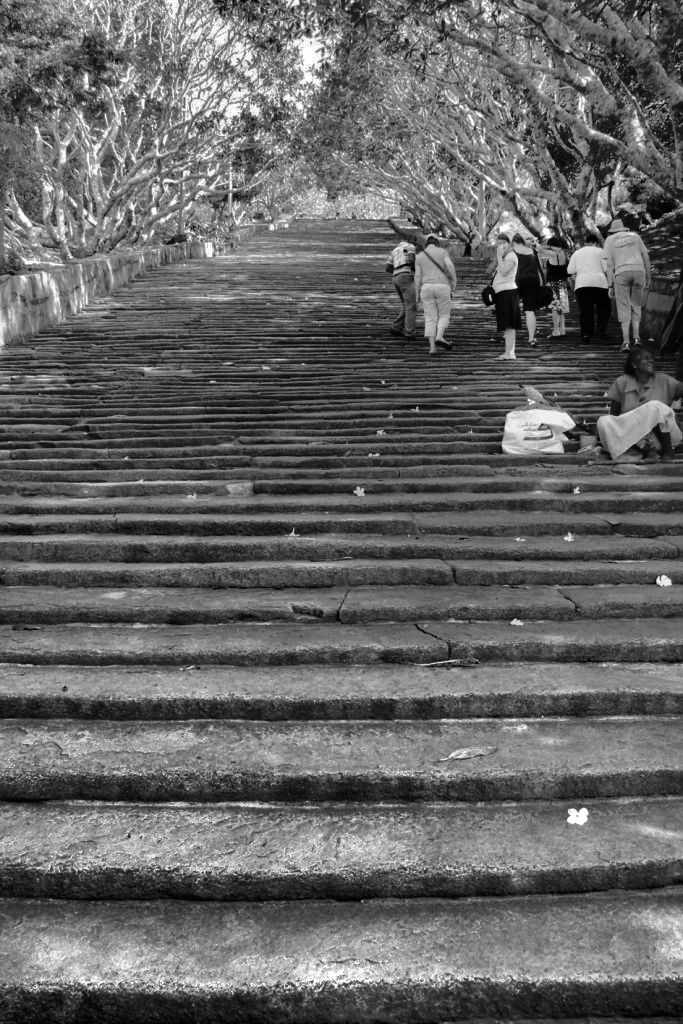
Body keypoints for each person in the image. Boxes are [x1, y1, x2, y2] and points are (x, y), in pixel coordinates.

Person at [596, 346, 683, 462]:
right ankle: (646, 451)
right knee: (603, 420)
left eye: (651, 358)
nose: (651, 360)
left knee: (655, 406)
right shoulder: (622, 382)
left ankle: (667, 454)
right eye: (646, 358)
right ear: (634, 364)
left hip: (666, 438)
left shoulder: (664, 379)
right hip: (637, 440)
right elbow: (615, 417)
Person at [601, 217, 651, 353]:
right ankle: (637, 338)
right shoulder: (635, 236)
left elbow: (610, 265)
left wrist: (610, 285)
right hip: (639, 271)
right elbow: (646, 257)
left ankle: (626, 342)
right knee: (636, 305)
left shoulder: (610, 240)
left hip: (621, 273)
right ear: (623, 228)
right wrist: (648, 276)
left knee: (623, 306)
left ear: (612, 231)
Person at [414, 233, 457, 357]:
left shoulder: (420, 256)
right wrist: (454, 279)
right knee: (444, 314)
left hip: (426, 288)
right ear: (437, 243)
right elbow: (449, 265)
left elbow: (417, 276)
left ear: (426, 243)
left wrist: (417, 294)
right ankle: (440, 336)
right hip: (442, 286)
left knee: (430, 317)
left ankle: (432, 348)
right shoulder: (442, 252)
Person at [567, 233, 611, 343]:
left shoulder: (577, 253)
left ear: (585, 242)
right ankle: (601, 330)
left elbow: (570, 271)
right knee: (604, 309)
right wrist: (611, 284)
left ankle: (586, 334)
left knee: (586, 310)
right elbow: (607, 269)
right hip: (600, 283)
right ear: (596, 243)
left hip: (582, 284)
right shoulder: (601, 251)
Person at [488, 233, 521, 360]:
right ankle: (508, 352)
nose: (501, 245)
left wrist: (499, 257)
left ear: (509, 244)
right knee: (506, 324)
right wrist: (498, 258)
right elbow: (490, 270)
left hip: (508, 292)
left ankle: (510, 352)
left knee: (509, 324)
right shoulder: (505, 256)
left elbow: (504, 271)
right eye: (499, 243)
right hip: (502, 293)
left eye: (504, 243)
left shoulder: (511, 256)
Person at [512, 233, 544, 348]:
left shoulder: (512, 250)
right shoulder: (532, 251)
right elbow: (539, 268)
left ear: (514, 242)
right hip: (532, 280)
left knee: (513, 307)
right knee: (529, 310)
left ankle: (509, 334)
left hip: (516, 280)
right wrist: (542, 283)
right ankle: (531, 338)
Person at [385, 239, 417, 340]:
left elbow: (388, 268)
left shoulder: (394, 251)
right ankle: (409, 332)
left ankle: (396, 328)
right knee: (411, 305)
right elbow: (412, 259)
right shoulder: (410, 247)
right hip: (405, 277)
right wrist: (414, 270)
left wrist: (398, 271)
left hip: (396, 278)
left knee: (406, 304)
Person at [541, 236, 570, 338]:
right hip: (562, 283)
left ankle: (556, 331)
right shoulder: (562, 253)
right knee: (560, 309)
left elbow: (540, 249)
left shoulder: (554, 254)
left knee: (555, 308)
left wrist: (538, 245)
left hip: (554, 284)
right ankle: (562, 330)